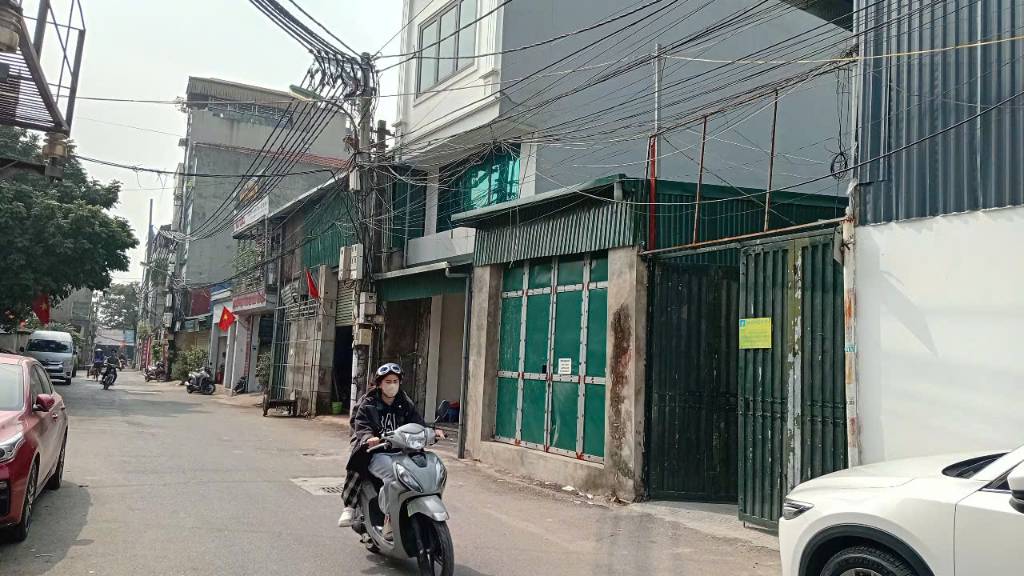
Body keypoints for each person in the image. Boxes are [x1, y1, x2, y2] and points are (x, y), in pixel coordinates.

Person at [337, 363, 444, 537]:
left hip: (400, 450)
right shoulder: (369, 403)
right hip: (376, 450)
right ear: (379, 384)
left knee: (422, 470)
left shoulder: (404, 402)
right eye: (388, 381)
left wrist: (432, 431)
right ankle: (380, 516)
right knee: (391, 475)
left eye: (395, 381)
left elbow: (417, 422)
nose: (392, 385)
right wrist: (368, 437)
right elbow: (361, 424)